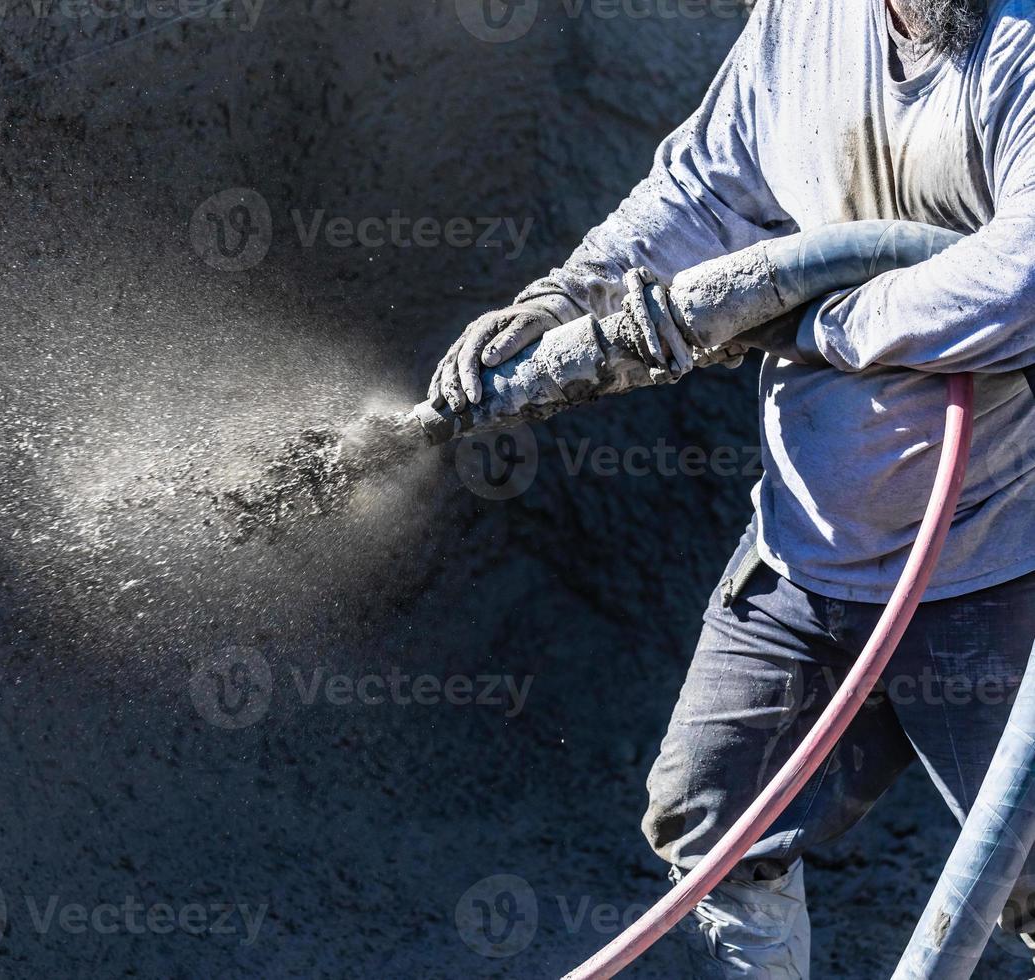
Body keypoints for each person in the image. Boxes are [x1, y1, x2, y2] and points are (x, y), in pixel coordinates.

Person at [430, 0, 1035, 973]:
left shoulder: (1020, 48)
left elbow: (1023, 278)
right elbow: (703, 194)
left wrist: (806, 318)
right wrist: (565, 299)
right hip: (807, 551)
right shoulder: (804, 22)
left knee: (1023, 858)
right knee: (712, 813)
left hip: (994, 563)